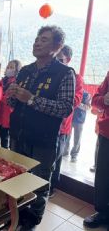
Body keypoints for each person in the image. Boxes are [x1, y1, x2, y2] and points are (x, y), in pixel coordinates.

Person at [7, 26, 75, 230]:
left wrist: (32, 100)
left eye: (44, 40)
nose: (37, 42)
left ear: (57, 46)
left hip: (43, 141)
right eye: (37, 38)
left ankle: (31, 223)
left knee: (39, 183)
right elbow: (12, 104)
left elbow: (65, 108)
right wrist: (11, 95)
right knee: (16, 178)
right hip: (18, 135)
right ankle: (15, 216)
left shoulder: (64, 73)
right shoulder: (26, 70)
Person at [49, 45, 83, 197]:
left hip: (62, 126)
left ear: (67, 60)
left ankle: (51, 188)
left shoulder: (75, 77)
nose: (56, 61)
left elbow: (75, 100)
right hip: (45, 124)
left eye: (60, 59)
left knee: (55, 159)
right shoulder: (49, 72)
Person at [84, 72, 109, 229]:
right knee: (103, 174)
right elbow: (95, 99)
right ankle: (103, 212)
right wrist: (105, 100)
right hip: (107, 132)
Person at [0, 59, 22, 148]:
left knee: (12, 141)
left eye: (12, 67)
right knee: (3, 138)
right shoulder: (2, 81)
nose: (9, 69)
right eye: (8, 67)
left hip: (10, 114)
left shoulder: (17, 82)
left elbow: (9, 98)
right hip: (1, 113)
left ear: (17, 70)